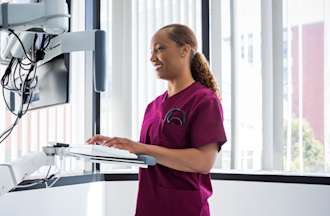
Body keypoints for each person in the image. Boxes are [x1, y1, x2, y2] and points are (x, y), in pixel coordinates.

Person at [87, 24, 227, 216]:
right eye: (151, 51)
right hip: (150, 207)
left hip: (185, 209)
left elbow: (203, 162)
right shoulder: (153, 107)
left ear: (184, 50)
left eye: (160, 48)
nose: (152, 57)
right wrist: (115, 147)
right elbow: (152, 158)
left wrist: (140, 147)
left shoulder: (204, 100)